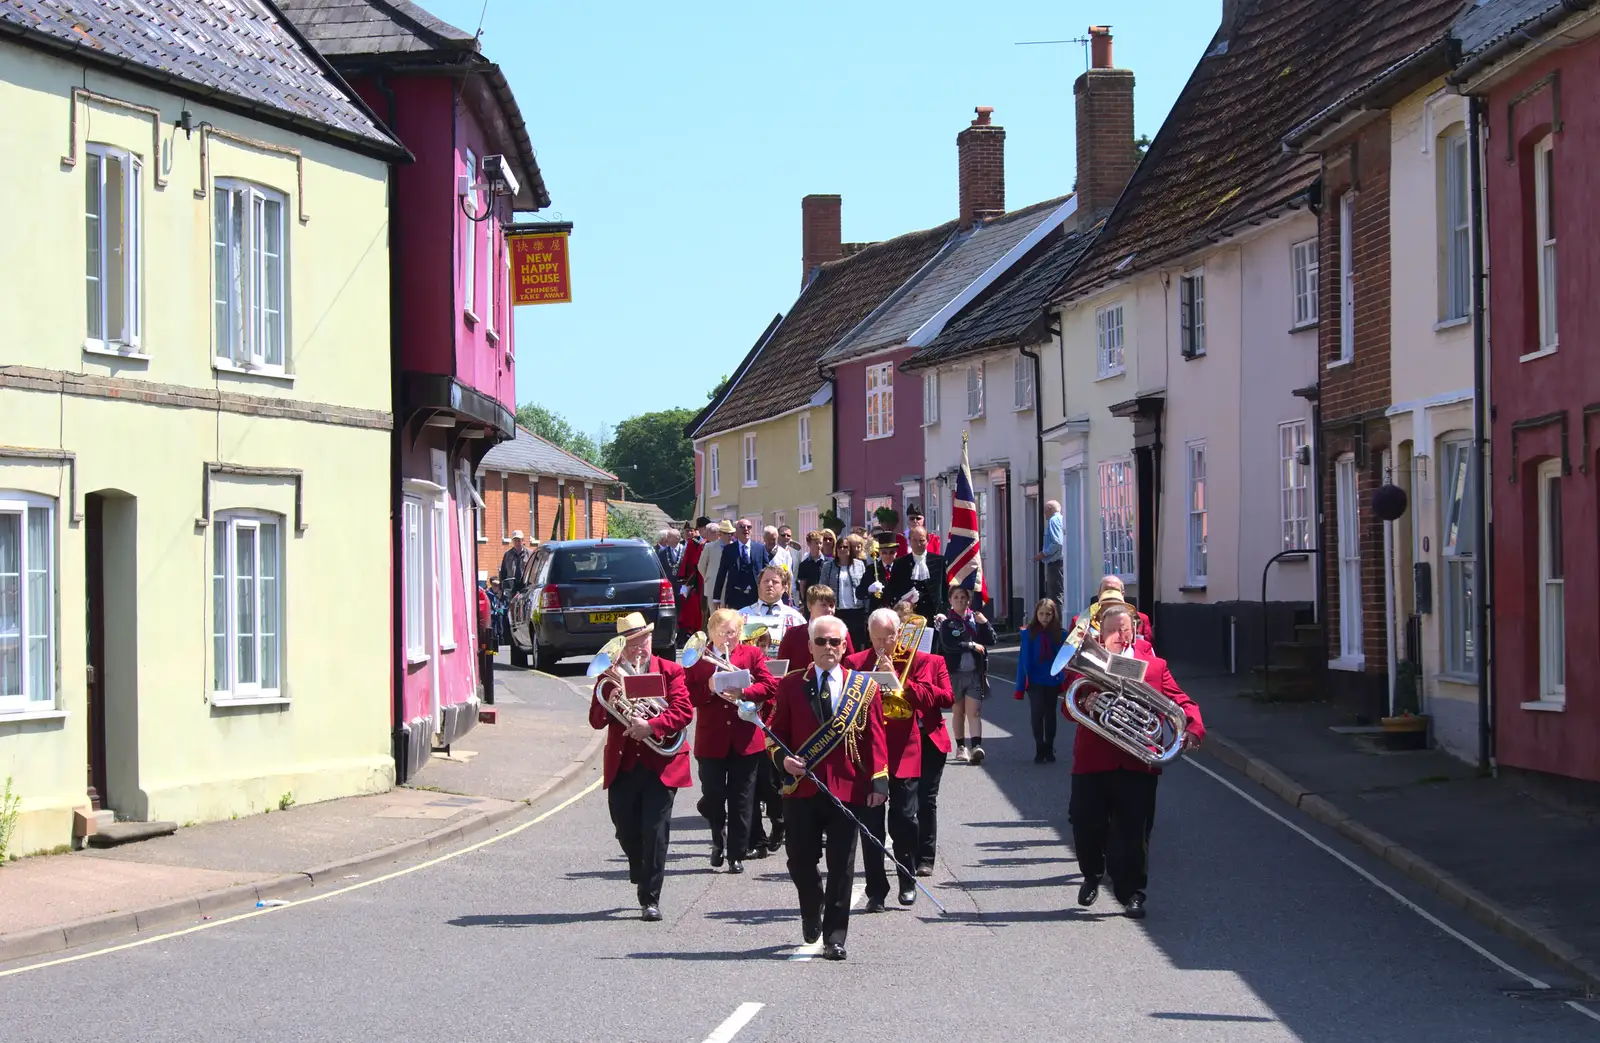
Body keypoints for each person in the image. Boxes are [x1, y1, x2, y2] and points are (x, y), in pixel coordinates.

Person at [1065, 603, 1203, 918]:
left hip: (1138, 764)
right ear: (1101, 632)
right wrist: (1089, 700)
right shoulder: (1089, 661)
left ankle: (1132, 894)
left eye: (1124, 629)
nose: (1119, 635)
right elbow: (1067, 704)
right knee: (1085, 825)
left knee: (1134, 834)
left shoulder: (1154, 666)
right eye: (1112, 629)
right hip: (1092, 761)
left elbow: (1180, 700)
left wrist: (1193, 726)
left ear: (1133, 631)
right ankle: (1092, 873)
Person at [767, 615, 888, 961]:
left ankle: (835, 936)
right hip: (801, 790)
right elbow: (774, 735)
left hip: (846, 790)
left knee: (842, 864)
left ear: (845, 645)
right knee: (800, 861)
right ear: (809, 647)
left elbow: (875, 739)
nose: (829, 648)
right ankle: (811, 906)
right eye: (821, 642)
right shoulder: (790, 685)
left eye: (835, 642)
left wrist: (878, 782)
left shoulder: (863, 688)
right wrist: (783, 761)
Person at [587, 613, 695, 921]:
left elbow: (684, 711)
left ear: (651, 639)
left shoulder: (671, 671)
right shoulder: (608, 676)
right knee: (625, 828)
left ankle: (650, 898)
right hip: (624, 763)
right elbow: (596, 720)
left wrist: (652, 725)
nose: (639, 648)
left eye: (643, 641)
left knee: (656, 831)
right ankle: (638, 864)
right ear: (620, 648)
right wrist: (609, 697)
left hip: (662, 763)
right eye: (631, 644)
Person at [845, 608, 952, 911]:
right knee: (871, 825)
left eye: (887, 638)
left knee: (905, 820)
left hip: (905, 748)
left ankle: (907, 879)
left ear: (897, 635)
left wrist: (897, 681)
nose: (882, 645)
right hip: (869, 754)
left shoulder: (915, 659)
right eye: (876, 638)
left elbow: (934, 698)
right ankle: (876, 889)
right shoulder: (855, 662)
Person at [685, 608, 778, 873]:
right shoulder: (698, 659)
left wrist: (745, 692)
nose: (730, 637)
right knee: (713, 795)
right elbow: (689, 696)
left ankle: (736, 854)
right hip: (711, 739)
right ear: (712, 632)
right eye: (724, 632)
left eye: (734, 632)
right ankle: (718, 840)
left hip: (745, 738)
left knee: (742, 799)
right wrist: (709, 689)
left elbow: (770, 685)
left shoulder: (752, 654)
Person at [935, 585, 997, 765]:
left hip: (974, 673)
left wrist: (985, 623)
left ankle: (976, 747)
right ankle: (961, 746)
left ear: (968, 600)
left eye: (963, 597)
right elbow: (948, 646)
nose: (960, 600)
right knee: (958, 711)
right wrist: (971, 646)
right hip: (954, 673)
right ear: (950, 600)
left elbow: (991, 640)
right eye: (956, 597)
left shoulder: (975, 619)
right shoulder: (947, 623)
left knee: (975, 712)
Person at [1015, 599, 1067, 763]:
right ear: (1036, 614)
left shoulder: (1059, 633)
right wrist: (1020, 685)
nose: (1044, 617)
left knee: (1050, 713)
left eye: (1048, 614)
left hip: (1052, 679)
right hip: (1035, 679)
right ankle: (1040, 747)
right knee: (1037, 712)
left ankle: (1049, 746)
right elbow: (1024, 660)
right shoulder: (1029, 633)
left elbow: (1065, 657)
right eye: (1041, 614)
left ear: (1053, 615)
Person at [776, 584, 857, 668]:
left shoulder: (842, 633)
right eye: (823, 605)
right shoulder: (793, 634)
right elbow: (781, 668)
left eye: (831, 606)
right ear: (810, 606)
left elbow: (850, 665)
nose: (829, 610)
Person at [1069, 576, 1155, 649]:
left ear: (1123, 594)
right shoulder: (1079, 620)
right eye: (1106, 590)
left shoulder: (1141, 619)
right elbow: (1072, 651)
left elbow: (1147, 650)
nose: (1110, 593)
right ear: (1099, 594)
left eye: (1115, 590)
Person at [819, 533, 872, 649]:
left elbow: (864, 588)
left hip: (857, 611)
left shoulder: (860, 565)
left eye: (845, 547)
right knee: (839, 643)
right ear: (836, 550)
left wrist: (867, 611)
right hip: (838, 611)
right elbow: (822, 589)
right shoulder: (828, 566)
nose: (842, 549)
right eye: (840, 547)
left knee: (857, 644)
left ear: (850, 549)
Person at [888, 526, 947, 617]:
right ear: (909, 541)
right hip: (909, 616)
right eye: (914, 540)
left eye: (921, 540)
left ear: (927, 540)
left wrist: (943, 613)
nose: (918, 544)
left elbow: (945, 590)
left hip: (935, 616)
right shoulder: (900, 563)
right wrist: (903, 601)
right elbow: (893, 591)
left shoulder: (939, 561)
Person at [714, 518, 770, 610]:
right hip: (735, 596)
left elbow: (767, 572)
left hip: (756, 596)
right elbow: (721, 574)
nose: (746, 529)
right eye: (742, 527)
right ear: (736, 531)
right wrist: (716, 598)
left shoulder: (760, 548)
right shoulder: (729, 549)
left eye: (749, 527)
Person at [676, 517, 713, 642]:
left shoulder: (714, 543)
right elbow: (688, 563)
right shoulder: (694, 543)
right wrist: (686, 582)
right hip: (697, 581)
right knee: (698, 610)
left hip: (709, 580)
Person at [1034, 501, 1064, 605]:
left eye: (1045, 511)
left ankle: (1058, 621)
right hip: (1060, 562)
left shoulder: (1054, 520)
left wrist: (1043, 553)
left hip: (1056, 562)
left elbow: (1057, 543)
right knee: (1059, 594)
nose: (1044, 514)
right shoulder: (1061, 519)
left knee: (1056, 596)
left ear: (1050, 509)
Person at [701, 520, 734, 612]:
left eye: (731, 533)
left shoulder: (735, 547)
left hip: (730, 586)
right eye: (727, 533)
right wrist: (709, 577)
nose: (730, 536)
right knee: (715, 614)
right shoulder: (710, 547)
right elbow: (701, 565)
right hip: (713, 584)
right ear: (720, 533)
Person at [795, 530, 827, 605]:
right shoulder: (804, 564)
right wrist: (804, 602)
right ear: (809, 544)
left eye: (820, 543)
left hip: (825, 598)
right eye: (816, 543)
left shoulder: (827, 562)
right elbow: (802, 585)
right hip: (810, 600)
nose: (819, 546)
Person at [499, 530, 534, 595]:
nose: (517, 543)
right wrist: (501, 588)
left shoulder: (530, 554)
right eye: (515, 541)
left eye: (519, 540)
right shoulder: (507, 555)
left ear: (523, 541)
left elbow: (534, 571)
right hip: (511, 588)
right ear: (513, 542)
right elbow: (503, 573)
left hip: (526, 588)